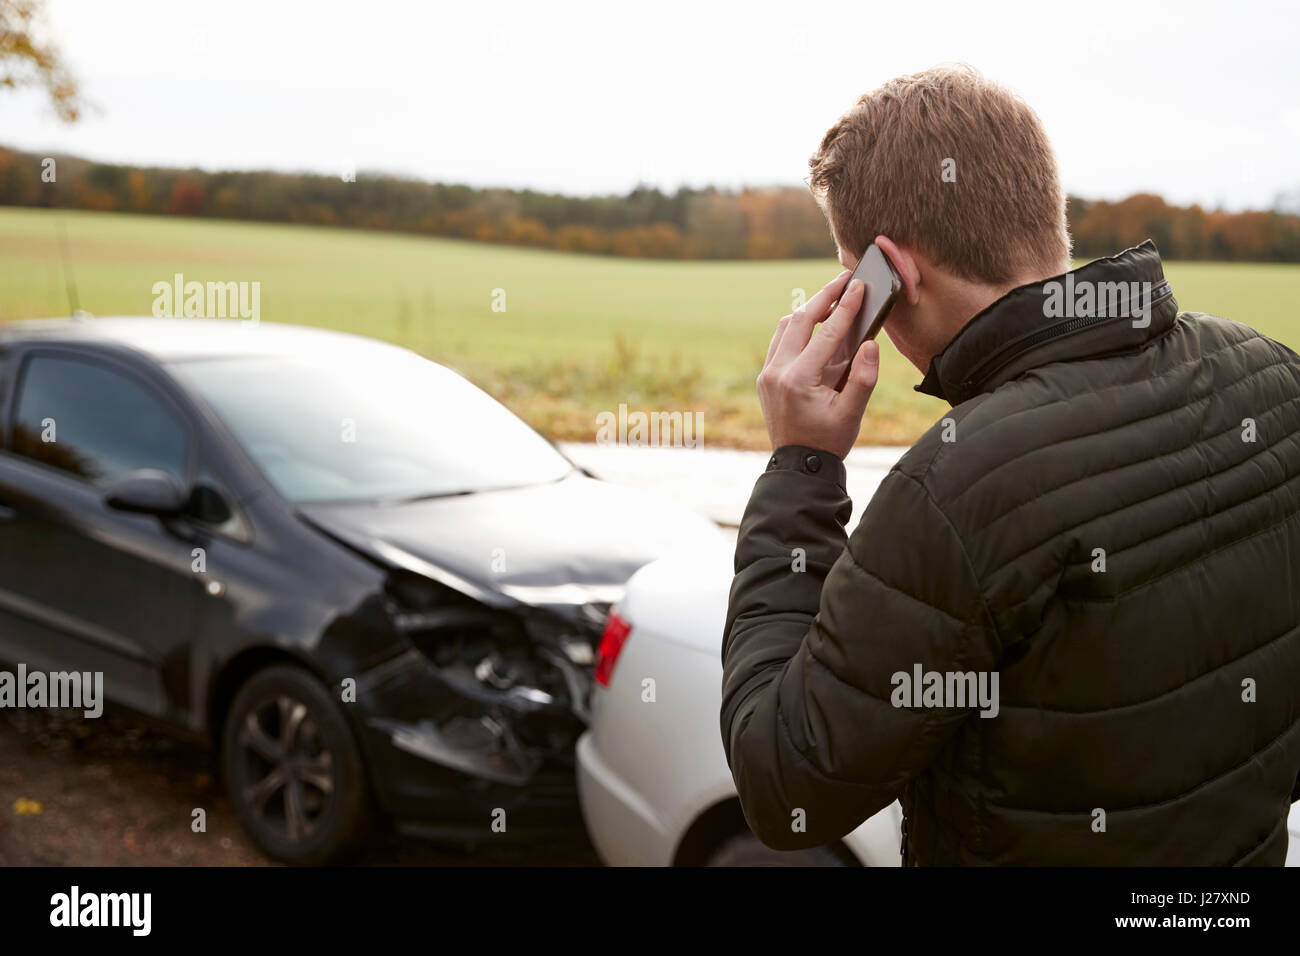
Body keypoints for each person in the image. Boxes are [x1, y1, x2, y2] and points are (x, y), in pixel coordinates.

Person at [720, 64, 1300, 865]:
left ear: (894, 275)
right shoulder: (1273, 376)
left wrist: (799, 466)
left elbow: (786, 786)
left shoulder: (956, 490)